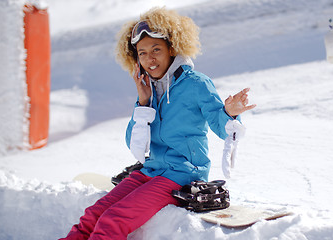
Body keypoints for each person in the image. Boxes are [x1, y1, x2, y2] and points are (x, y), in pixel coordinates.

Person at [60, 7, 255, 240]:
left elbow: (219, 124)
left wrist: (230, 113)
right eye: (142, 53)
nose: (149, 59)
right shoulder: (149, 89)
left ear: (172, 48)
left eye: (156, 50)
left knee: (114, 219)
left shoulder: (196, 84)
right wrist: (143, 103)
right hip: (151, 169)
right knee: (92, 216)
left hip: (183, 172)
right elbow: (134, 143)